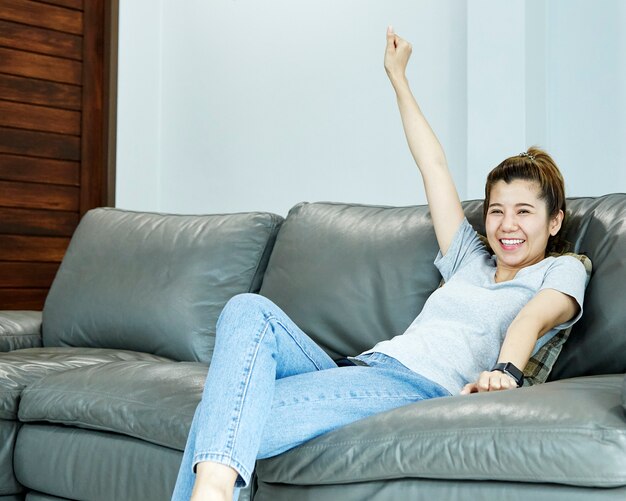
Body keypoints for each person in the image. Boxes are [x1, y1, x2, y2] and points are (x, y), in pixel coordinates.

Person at [171, 26, 588, 501]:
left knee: (220, 416)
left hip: (416, 387)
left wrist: (507, 373)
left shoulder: (563, 268)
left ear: (554, 221)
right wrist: (398, 77)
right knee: (247, 309)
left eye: (524, 212)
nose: (506, 225)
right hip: (359, 368)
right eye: (497, 210)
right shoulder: (468, 259)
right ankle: (216, 489)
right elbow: (433, 165)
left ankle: (213, 490)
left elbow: (533, 318)